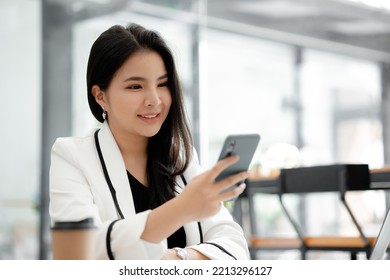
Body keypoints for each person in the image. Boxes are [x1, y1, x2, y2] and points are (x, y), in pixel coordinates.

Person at [49, 23, 250, 260]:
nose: (154, 100)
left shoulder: (181, 158)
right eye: (135, 86)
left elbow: (234, 245)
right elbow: (78, 250)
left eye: (162, 84)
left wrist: (175, 260)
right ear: (100, 96)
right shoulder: (72, 155)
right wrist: (181, 209)